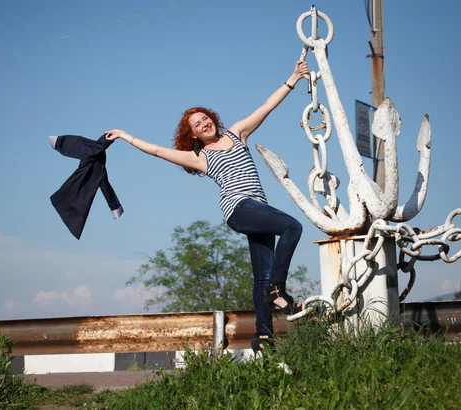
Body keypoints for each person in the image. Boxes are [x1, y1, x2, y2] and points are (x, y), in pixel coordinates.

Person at [105, 61, 309, 353]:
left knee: (260, 276)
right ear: (195, 136)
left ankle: (263, 338)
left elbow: (267, 106)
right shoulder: (200, 157)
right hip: (239, 208)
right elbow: (157, 151)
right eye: (197, 124)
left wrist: (293, 78)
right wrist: (126, 135)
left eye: (205, 118)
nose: (204, 123)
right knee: (292, 226)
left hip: (258, 208)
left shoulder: (238, 133)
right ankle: (278, 289)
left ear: (213, 118)